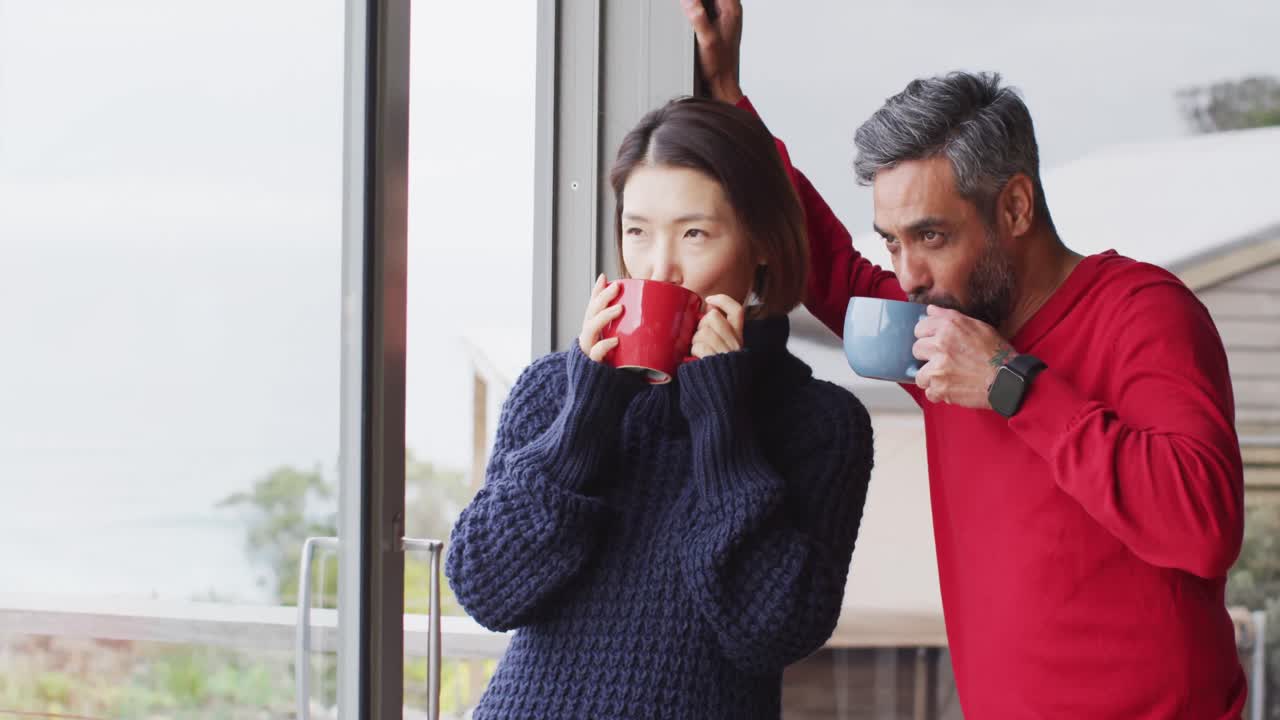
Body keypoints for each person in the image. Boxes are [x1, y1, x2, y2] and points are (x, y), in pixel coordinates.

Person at [682, 1, 1247, 717]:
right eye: (892, 241)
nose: (909, 274)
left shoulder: (1143, 311)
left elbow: (1204, 529)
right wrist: (730, 97)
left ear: (1014, 207)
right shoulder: (943, 336)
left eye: (932, 236)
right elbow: (827, 264)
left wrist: (1013, 385)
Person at [445, 96, 875, 720]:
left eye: (694, 233)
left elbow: (770, 632)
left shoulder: (820, 424)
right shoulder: (553, 391)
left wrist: (722, 424)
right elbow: (486, 588)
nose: (660, 268)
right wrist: (583, 419)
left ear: (760, 242)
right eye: (637, 231)